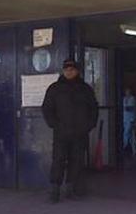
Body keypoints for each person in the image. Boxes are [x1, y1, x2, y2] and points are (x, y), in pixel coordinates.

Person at [42, 59, 99, 203]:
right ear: (63, 70)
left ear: (77, 71)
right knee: (58, 160)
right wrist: (55, 125)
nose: (69, 71)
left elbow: (94, 108)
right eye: (66, 69)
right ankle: (54, 191)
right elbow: (47, 109)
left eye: (72, 69)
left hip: (80, 133)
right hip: (61, 133)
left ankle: (71, 190)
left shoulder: (85, 89)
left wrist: (89, 125)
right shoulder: (54, 88)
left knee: (77, 161)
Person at [122, 87, 136, 155]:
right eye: (126, 91)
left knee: (126, 132)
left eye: (128, 91)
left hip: (131, 119)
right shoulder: (124, 99)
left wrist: (124, 107)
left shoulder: (132, 98)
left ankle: (123, 146)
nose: (127, 93)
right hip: (125, 118)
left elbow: (131, 108)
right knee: (130, 135)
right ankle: (133, 149)